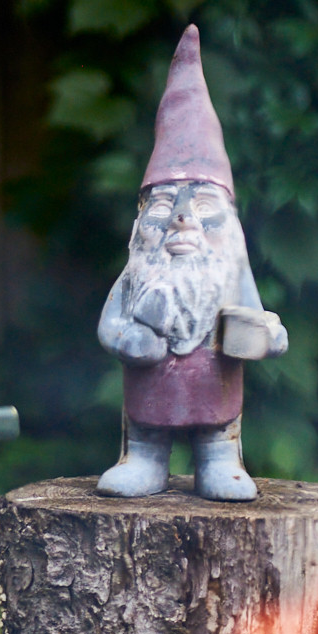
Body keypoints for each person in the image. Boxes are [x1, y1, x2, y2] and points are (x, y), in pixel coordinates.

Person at [96, 25, 287, 501]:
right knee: (144, 436)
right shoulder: (136, 276)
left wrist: (267, 334)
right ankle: (144, 459)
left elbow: (257, 318)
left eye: (202, 206)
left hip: (216, 396)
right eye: (164, 206)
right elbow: (110, 325)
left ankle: (219, 460)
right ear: (141, 221)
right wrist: (129, 339)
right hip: (148, 403)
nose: (182, 219)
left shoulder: (231, 269)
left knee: (218, 435)